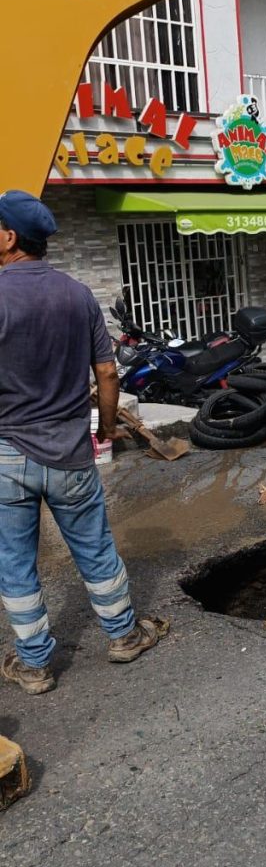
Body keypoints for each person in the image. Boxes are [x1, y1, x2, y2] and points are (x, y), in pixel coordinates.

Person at [0, 190, 168, 695]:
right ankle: (122, 636)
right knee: (94, 549)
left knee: (14, 561)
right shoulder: (77, 295)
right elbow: (107, 373)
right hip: (70, 451)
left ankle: (33, 666)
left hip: (7, 453)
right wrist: (105, 427)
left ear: (9, 237)